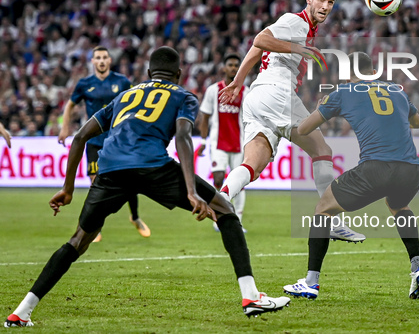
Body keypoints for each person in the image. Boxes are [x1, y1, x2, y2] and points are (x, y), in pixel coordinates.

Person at [4, 47, 290, 328]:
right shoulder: (183, 96)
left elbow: (79, 137)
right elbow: (182, 136)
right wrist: (191, 190)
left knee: (78, 240)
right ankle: (251, 296)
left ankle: (22, 311)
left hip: (111, 169)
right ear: (178, 74)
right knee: (225, 210)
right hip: (153, 165)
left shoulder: (124, 96)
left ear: (148, 72)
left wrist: (68, 189)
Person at [219, 0, 365, 242]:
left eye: (330, 2)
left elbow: (256, 47)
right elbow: (260, 38)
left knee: (253, 164)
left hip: (256, 95)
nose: (325, 6)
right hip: (276, 92)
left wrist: (239, 80)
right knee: (322, 151)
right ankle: (330, 221)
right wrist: (299, 48)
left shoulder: (302, 28)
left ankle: (221, 197)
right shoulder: (295, 21)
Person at [283, 52, 419, 300]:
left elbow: (305, 129)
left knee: (323, 209)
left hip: (375, 168)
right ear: (372, 71)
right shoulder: (396, 90)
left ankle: (310, 282)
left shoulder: (342, 92)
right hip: (411, 170)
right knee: (398, 205)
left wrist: (322, 108)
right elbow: (418, 122)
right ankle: (418, 266)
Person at [58, 46, 150, 242]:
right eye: (97, 58)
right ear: (92, 61)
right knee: (95, 182)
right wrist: (65, 128)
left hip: (118, 139)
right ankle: (95, 226)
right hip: (94, 140)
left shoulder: (122, 81)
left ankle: (135, 217)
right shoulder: (84, 84)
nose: (101, 61)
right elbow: (70, 105)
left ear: (110, 61)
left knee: (130, 180)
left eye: (104, 57)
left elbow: (134, 103)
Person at [198, 53, 249, 232]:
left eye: (237, 65)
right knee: (219, 179)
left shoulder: (245, 91)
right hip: (218, 143)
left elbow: (249, 118)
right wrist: (203, 140)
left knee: (239, 183)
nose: (234, 68)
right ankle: (218, 217)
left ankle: (238, 220)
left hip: (238, 143)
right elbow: (205, 116)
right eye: (231, 65)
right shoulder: (214, 90)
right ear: (224, 68)